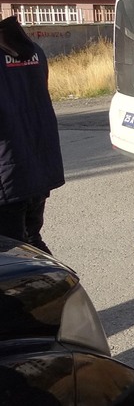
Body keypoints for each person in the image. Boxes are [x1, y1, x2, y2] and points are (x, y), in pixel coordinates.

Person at [0, 16, 64, 254]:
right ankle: (64, 288)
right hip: (36, 167)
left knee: (12, 258)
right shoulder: (31, 50)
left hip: (6, 178)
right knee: (31, 245)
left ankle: (64, 289)